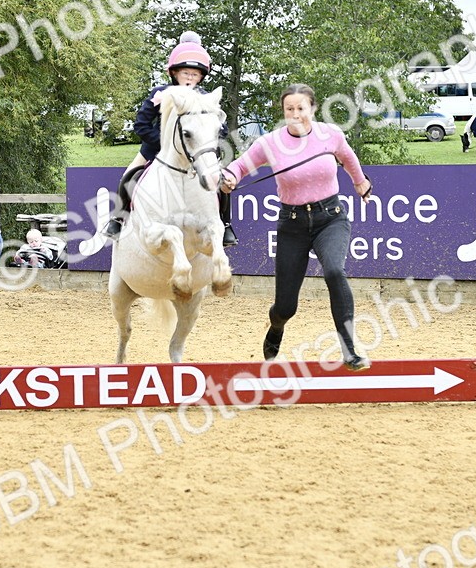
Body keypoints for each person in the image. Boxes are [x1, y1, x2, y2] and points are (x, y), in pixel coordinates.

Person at [220, 83, 374, 370]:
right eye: (289, 109)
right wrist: (228, 179)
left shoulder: (330, 134)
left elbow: (349, 158)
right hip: (292, 225)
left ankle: (350, 349)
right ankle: (276, 325)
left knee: (334, 271)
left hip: (331, 217)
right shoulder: (271, 142)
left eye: (301, 108)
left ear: (312, 109)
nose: (295, 114)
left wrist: (360, 183)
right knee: (285, 306)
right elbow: (238, 167)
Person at [102, 31, 238, 247]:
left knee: (219, 182)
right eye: (186, 73)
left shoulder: (205, 98)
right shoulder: (160, 94)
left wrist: (208, 143)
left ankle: (226, 225)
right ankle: (117, 219)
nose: (190, 78)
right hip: (155, 151)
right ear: (174, 72)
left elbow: (219, 129)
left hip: (195, 154)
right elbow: (141, 125)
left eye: (195, 75)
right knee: (128, 176)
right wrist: (166, 144)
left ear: (202, 76)